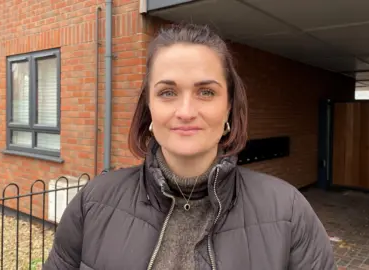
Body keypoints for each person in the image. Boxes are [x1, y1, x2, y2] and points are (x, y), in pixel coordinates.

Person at [43, 23, 336, 270]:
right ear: (149, 109)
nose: (185, 111)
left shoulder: (288, 211)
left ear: (228, 108)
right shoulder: (94, 200)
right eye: (168, 92)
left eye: (206, 92)